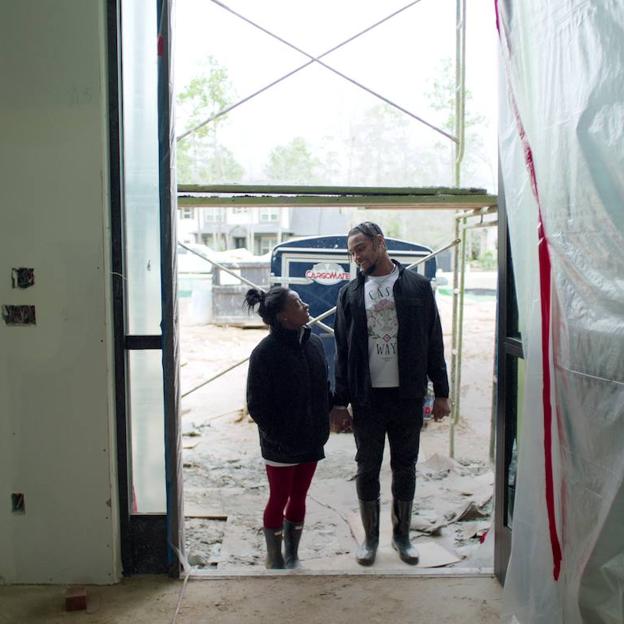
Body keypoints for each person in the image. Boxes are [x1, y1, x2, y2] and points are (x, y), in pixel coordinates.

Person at [331, 222, 451, 566]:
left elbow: (433, 340)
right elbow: (342, 350)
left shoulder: (417, 287)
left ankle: (402, 537)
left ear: (379, 243)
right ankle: (370, 540)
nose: (356, 257)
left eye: (361, 248)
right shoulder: (350, 294)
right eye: (352, 252)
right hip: (367, 399)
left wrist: (441, 392)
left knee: (405, 467)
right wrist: (340, 401)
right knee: (367, 468)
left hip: (407, 396)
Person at [245, 286, 331, 569]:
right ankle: (274, 558)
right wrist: (278, 436)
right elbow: (256, 404)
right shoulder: (264, 353)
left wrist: (324, 422)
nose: (305, 304)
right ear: (283, 317)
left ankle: (293, 554)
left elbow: (321, 389)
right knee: (279, 497)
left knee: (300, 496)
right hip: (280, 444)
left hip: (311, 438)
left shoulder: (314, 343)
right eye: (297, 303)